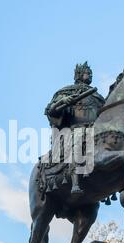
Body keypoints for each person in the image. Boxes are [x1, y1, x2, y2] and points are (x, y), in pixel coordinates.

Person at [45, 62, 105, 194]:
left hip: (96, 131)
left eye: (91, 73)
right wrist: (62, 101)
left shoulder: (97, 97)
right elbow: (51, 110)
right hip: (74, 130)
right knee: (78, 139)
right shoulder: (66, 92)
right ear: (78, 74)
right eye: (87, 73)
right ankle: (75, 182)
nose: (90, 75)